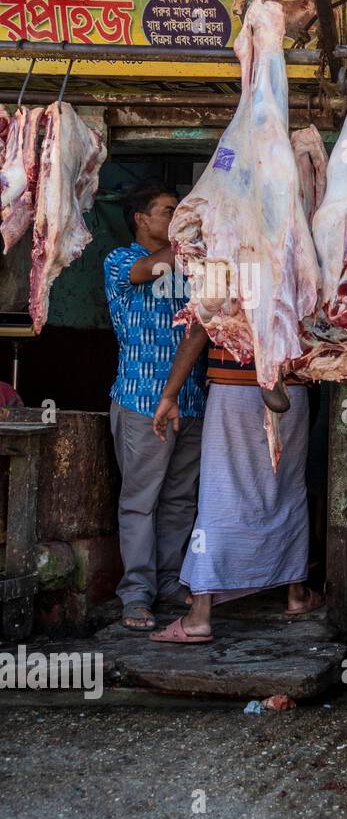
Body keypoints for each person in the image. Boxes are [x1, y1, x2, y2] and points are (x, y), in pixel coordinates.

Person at [147, 294, 323, 643]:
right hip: (294, 390)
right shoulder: (305, 247)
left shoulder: (225, 252)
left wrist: (170, 393)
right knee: (284, 490)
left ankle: (199, 615)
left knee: (221, 493)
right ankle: (296, 593)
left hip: (234, 390)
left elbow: (200, 326)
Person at [103, 181, 206, 631]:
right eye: (168, 210)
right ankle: (136, 594)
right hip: (141, 399)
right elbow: (148, 270)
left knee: (181, 499)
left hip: (192, 399)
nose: (175, 217)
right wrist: (198, 241)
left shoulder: (190, 265)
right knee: (140, 501)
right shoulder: (121, 261)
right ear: (141, 219)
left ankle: (168, 581)